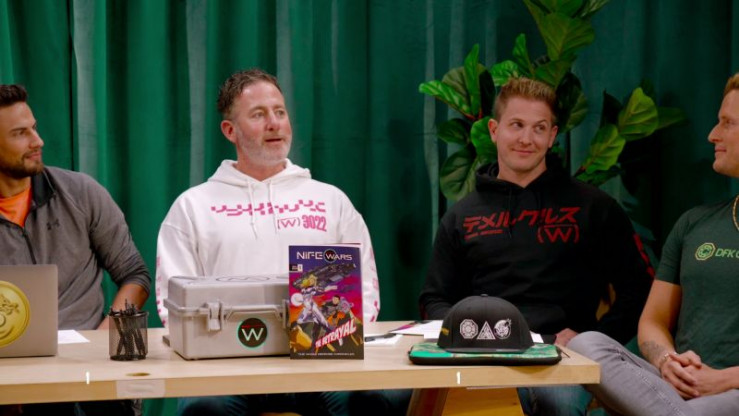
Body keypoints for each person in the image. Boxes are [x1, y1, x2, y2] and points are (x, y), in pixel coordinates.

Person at [418, 77, 654, 416]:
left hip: (564, 359)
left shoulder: (594, 207)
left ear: (552, 136)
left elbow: (640, 287)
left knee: (556, 405)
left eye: (539, 128)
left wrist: (592, 340)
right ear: (494, 130)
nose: (527, 139)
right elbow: (434, 299)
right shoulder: (461, 216)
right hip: (482, 357)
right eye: (516, 125)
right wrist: (472, 337)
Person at [156, 68, 380, 416]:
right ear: (230, 130)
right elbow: (173, 303)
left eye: (280, 112)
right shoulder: (192, 207)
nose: (274, 124)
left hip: (319, 362)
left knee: (363, 399)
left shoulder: (331, 201)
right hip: (226, 369)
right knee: (205, 407)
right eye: (258, 115)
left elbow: (364, 291)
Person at [568, 73, 739, 416]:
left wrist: (724, 380)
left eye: (727, 123)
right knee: (585, 344)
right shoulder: (694, 223)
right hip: (677, 389)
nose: (712, 134)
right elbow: (653, 322)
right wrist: (667, 361)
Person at [0, 84, 151, 415]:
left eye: (34, 128)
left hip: (92, 373)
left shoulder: (82, 192)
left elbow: (135, 276)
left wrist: (102, 341)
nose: (38, 141)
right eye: (20, 134)